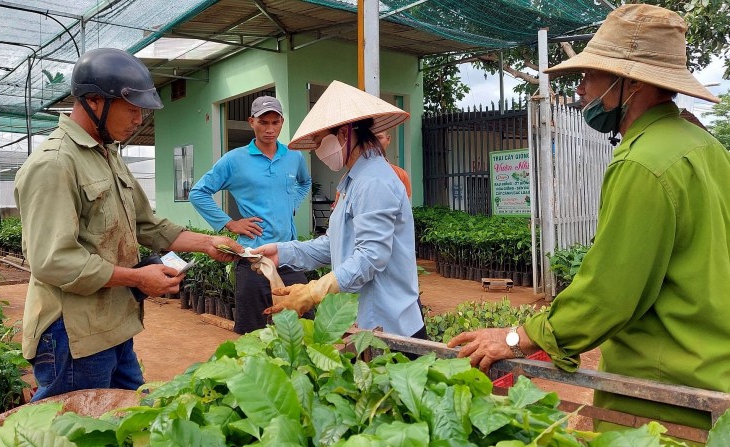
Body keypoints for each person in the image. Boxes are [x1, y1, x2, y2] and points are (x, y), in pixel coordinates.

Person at [447, 4, 728, 431]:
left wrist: (517, 337)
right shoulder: (707, 148)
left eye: (591, 75)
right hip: (711, 382)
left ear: (630, 81)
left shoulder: (641, 163)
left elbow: (609, 295)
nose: (580, 90)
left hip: (659, 403)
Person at [13, 48, 242, 401]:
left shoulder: (107, 156)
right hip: (73, 334)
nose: (139, 119)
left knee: (130, 416)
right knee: (75, 432)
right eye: (132, 109)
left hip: (112, 324)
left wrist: (208, 243)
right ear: (93, 101)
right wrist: (137, 278)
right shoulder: (54, 163)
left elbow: (146, 223)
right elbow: (52, 260)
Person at [254, 80, 426, 340]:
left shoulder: (374, 181)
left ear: (344, 134)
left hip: (390, 329)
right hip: (364, 325)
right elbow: (333, 244)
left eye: (321, 142)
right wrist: (281, 252)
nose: (319, 151)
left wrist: (313, 292)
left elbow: (370, 257)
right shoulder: (353, 180)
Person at [189, 96, 312, 334]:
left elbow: (304, 183)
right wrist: (229, 223)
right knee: (252, 333)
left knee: (305, 325)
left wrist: (291, 205)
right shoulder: (235, 160)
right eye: (263, 122)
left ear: (282, 122)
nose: (269, 129)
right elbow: (198, 193)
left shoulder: (294, 157)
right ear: (251, 122)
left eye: (275, 122)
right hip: (252, 259)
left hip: (289, 256)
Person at [331, 130, 411, 208]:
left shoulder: (400, 174)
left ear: (388, 139)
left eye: (378, 138)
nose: (373, 143)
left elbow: (403, 207)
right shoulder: (350, 177)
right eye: (369, 138)